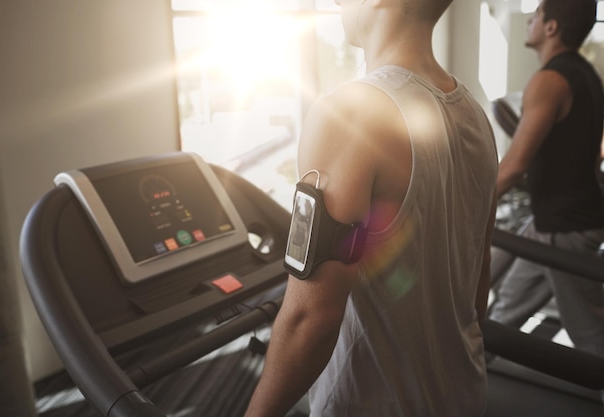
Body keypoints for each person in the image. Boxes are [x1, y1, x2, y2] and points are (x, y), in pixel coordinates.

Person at [244, 0, 498, 416]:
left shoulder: (349, 113)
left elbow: (311, 317)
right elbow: (478, 281)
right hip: (464, 394)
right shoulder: (475, 116)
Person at [489, 0, 604, 358]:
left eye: (537, 14)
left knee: (590, 336)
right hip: (551, 221)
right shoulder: (586, 75)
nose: (530, 21)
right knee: (506, 307)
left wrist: (463, 207)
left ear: (551, 27)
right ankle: (467, 379)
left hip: (565, 228)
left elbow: (514, 165)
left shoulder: (549, 80)